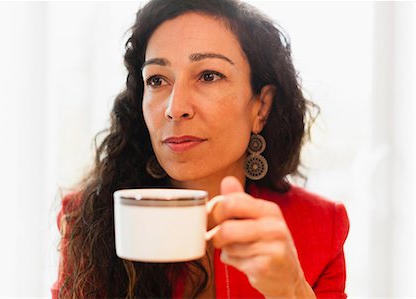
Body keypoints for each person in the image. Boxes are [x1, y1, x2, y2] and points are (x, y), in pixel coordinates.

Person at [52, 0, 350, 298]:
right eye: (157, 80)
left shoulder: (322, 227)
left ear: (261, 106)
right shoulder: (86, 219)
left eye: (209, 76)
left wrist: (291, 290)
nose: (175, 108)